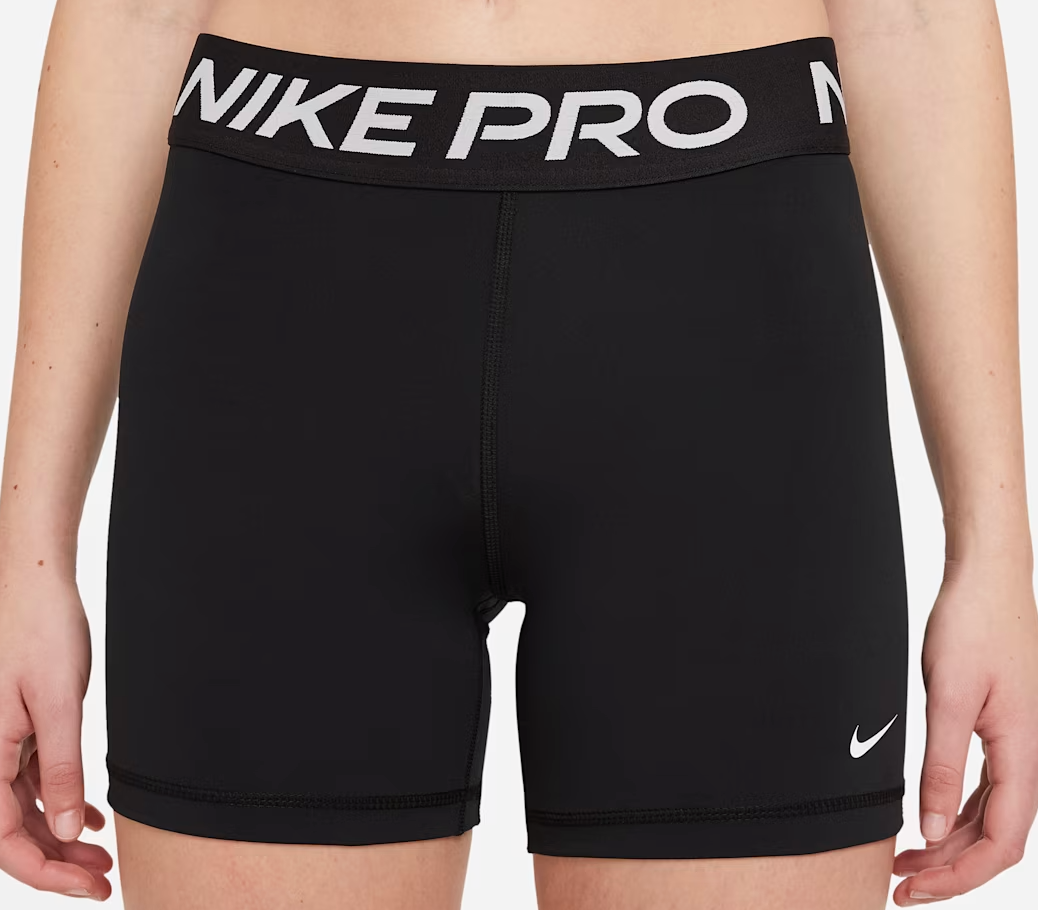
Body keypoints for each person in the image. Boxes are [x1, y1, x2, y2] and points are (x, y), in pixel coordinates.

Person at [1, 0, 1035, 907]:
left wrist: (995, 552)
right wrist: (27, 550)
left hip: (729, 309)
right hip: (279, 313)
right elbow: (133, 11)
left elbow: (914, 15)